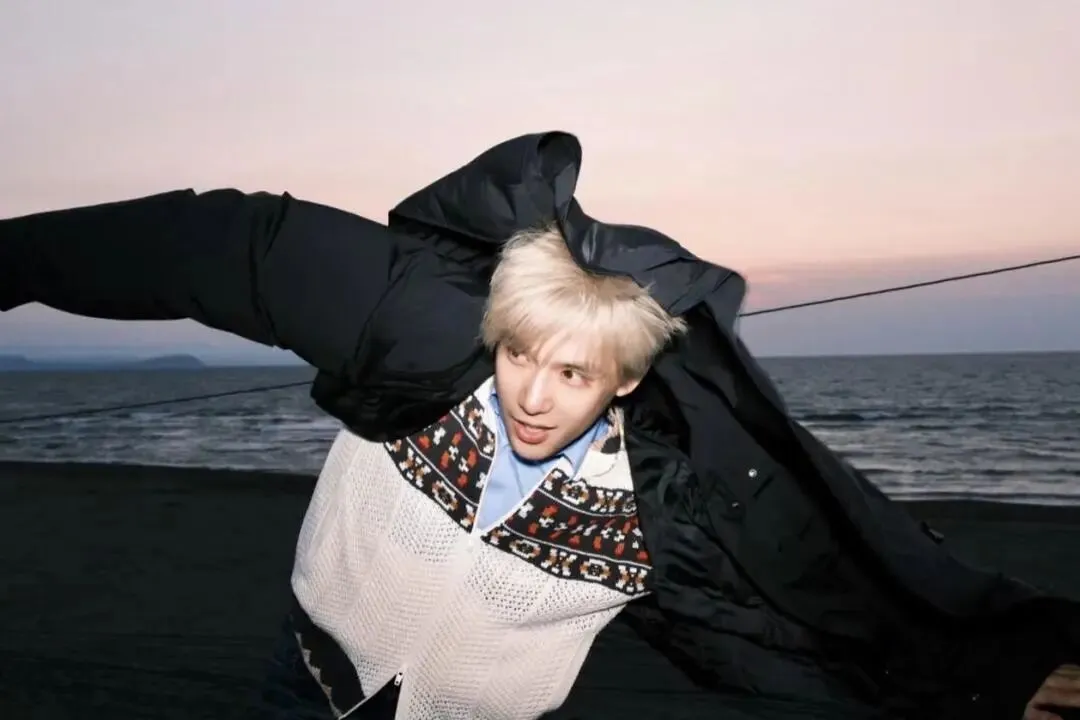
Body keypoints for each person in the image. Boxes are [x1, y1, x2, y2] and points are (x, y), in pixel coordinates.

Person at [2, 131, 1080, 720]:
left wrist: (994, 680)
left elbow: (821, 594)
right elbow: (219, 246)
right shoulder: (418, 339)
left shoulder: (664, 500)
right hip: (304, 682)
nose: (530, 392)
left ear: (626, 380)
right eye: (518, 352)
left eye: (572, 373)